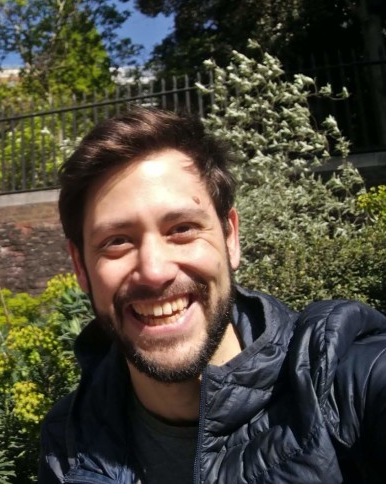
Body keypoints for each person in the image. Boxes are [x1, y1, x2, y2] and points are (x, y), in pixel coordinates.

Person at [39, 107, 386, 483]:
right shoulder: (67, 444)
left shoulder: (349, 384)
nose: (154, 271)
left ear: (230, 238)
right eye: (117, 241)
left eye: (182, 229)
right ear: (81, 267)